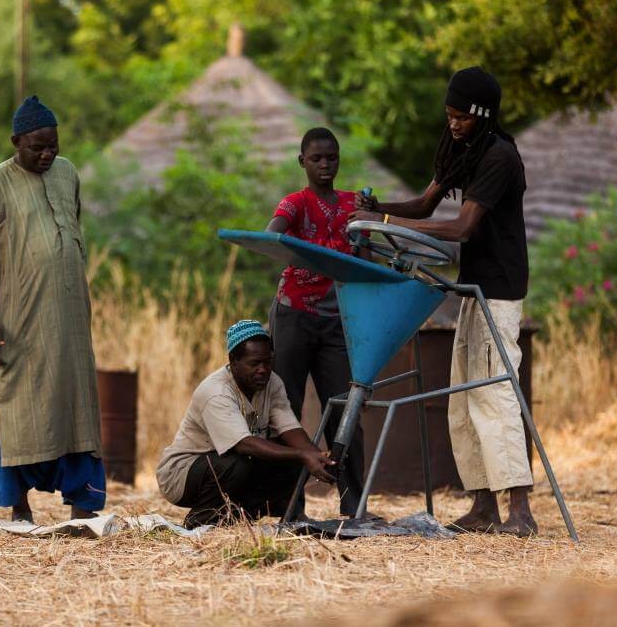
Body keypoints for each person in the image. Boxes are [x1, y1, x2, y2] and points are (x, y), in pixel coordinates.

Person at [351, 66, 536, 536]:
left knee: (494, 394)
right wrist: (376, 213)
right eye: (449, 115)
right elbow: (427, 205)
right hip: (473, 286)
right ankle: (482, 507)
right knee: (462, 400)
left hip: (499, 289)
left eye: (462, 118)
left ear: (483, 115)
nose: (453, 125)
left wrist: (388, 221)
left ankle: (520, 512)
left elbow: (460, 229)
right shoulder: (463, 149)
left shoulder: (499, 157)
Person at [0, 95, 105, 524]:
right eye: (37, 147)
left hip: (68, 319)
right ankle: (19, 506)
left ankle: (83, 505)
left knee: (77, 407)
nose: (47, 154)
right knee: (17, 408)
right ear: (16, 142)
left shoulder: (67, 174)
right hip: (18, 321)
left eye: (53, 145)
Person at [264, 127, 365, 518]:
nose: (325, 165)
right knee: (286, 405)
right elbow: (272, 235)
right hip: (294, 313)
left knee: (344, 406)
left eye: (332, 158)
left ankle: (353, 503)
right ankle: (291, 506)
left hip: (337, 317)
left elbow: (370, 245)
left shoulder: (353, 204)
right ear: (302, 161)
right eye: (317, 158)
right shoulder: (296, 203)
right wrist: (308, 252)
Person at [156, 320, 336, 529]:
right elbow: (244, 444)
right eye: (254, 363)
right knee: (237, 462)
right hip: (182, 474)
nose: (263, 370)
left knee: (292, 460)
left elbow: (289, 428)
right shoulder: (216, 392)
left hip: (232, 463)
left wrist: (317, 456)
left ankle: (237, 517)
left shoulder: (272, 383)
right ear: (233, 361)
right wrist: (301, 454)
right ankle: (201, 519)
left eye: (268, 362)